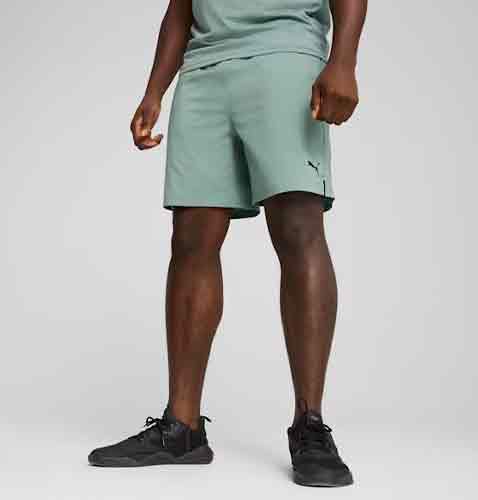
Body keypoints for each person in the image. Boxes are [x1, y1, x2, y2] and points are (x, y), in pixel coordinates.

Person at [88, 0, 367, 487]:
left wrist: (343, 60)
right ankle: (182, 429)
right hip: (203, 69)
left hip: (285, 56)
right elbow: (181, 8)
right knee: (191, 238)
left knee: (298, 229)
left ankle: (310, 427)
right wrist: (154, 91)